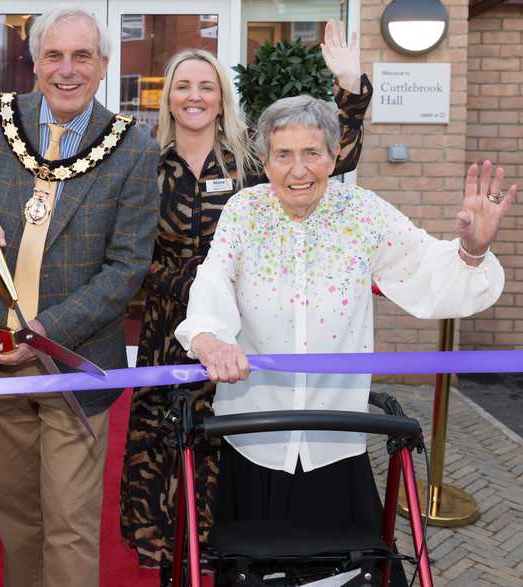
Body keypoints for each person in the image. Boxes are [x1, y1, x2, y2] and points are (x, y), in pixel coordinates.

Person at [173, 95, 514, 585]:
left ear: (334, 157)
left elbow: (424, 268)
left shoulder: (362, 212)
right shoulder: (243, 212)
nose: (298, 169)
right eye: (283, 154)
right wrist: (210, 338)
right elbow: (213, 281)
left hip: (335, 436)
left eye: (312, 152)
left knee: (345, 572)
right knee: (254, 570)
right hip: (255, 433)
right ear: (264, 161)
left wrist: (472, 250)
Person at [120, 20, 373, 579]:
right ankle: (172, 560)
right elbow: (130, 254)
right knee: (165, 451)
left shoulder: (252, 164)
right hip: (169, 337)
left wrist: (351, 92)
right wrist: (193, 286)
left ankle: (234, 561)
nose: (194, 96)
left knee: (233, 453)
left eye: (206, 86)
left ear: (221, 98)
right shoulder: (142, 164)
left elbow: (335, 160)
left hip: (247, 338)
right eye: (183, 85)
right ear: (169, 98)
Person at [0, 7, 159, 586]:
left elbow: (127, 268)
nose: (67, 70)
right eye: (54, 55)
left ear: (103, 65)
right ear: (33, 63)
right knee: (12, 514)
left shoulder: (133, 148)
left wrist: (42, 333)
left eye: (82, 56)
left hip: (73, 361)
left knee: (72, 522)